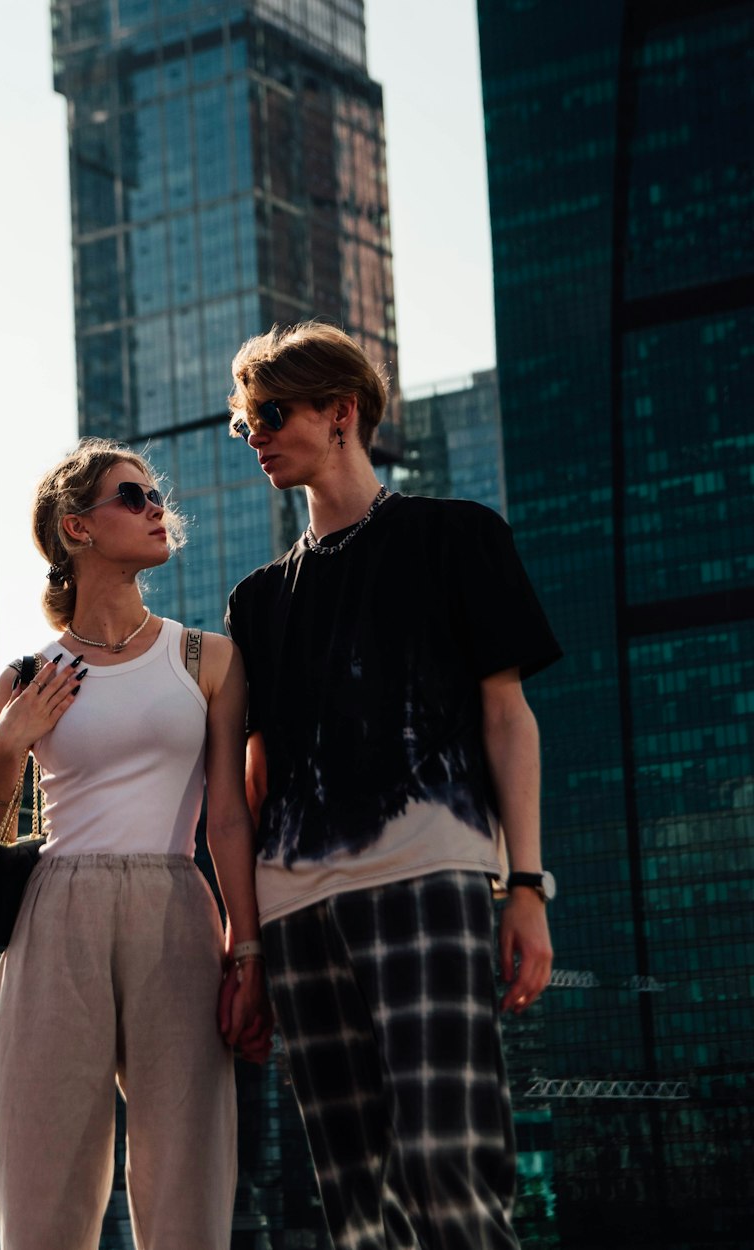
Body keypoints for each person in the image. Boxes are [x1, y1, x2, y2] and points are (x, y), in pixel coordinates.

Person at [224, 322, 562, 1250]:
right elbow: (252, 783)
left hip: (427, 878)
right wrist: (244, 952)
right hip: (295, 913)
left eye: (272, 413)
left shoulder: (457, 537)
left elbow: (508, 717)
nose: (255, 433)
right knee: (354, 1198)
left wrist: (524, 885)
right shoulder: (255, 602)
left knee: (447, 1169)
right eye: (244, 421)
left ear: (342, 414)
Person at [0, 437, 271, 1250]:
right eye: (131, 498)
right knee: (43, 1181)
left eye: (154, 495)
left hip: (176, 906)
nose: (155, 509)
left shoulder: (207, 658)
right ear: (77, 529)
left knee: (187, 1172)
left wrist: (248, 948)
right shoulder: (28, 673)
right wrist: (6, 750)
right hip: (53, 914)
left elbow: (230, 817)